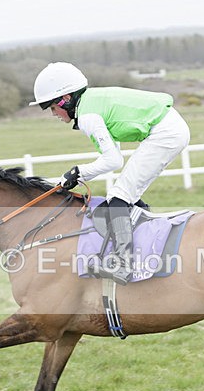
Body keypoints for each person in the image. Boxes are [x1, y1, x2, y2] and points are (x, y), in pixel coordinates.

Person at [29, 62, 191, 285]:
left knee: (118, 197)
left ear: (65, 99)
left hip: (165, 133)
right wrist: (78, 174)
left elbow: (113, 160)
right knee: (123, 194)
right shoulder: (90, 103)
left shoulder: (87, 116)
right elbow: (114, 155)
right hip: (168, 128)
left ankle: (124, 265)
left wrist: (77, 173)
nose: (53, 114)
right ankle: (142, 242)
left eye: (52, 108)